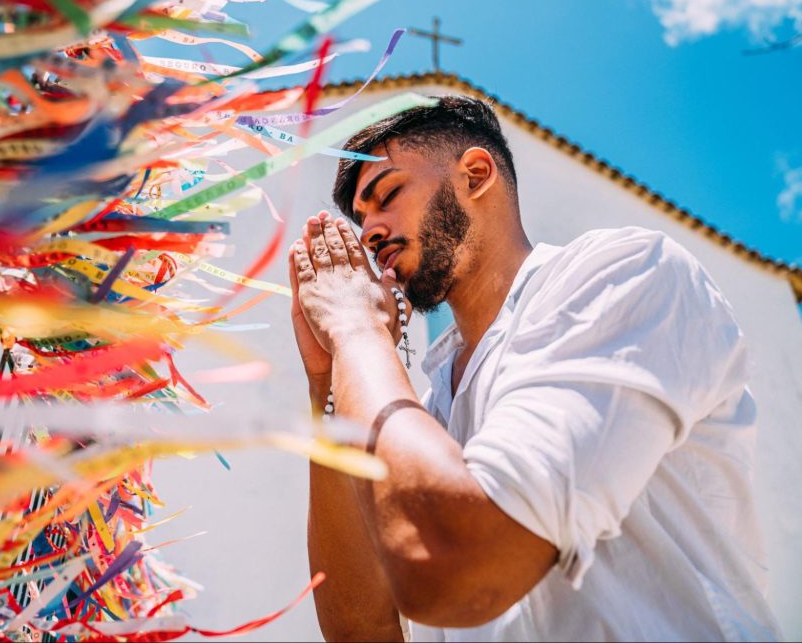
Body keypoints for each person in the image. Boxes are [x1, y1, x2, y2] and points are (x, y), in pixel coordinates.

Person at [287, 96, 781, 642]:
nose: (370, 231)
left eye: (388, 196)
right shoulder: (424, 419)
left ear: (476, 175)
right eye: (360, 219)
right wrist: (328, 378)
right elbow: (360, 629)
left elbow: (458, 570)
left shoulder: (625, 278)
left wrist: (357, 330)